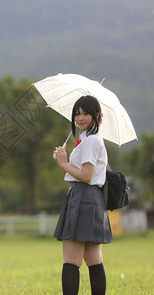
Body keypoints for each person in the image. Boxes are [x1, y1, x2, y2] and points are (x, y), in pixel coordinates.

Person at [52, 95, 112, 295]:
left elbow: (86, 176)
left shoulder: (91, 141)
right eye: (77, 114)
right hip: (89, 198)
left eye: (85, 113)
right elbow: (79, 174)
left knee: (71, 260)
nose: (80, 118)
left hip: (83, 198)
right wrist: (65, 163)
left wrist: (63, 163)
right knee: (93, 258)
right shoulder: (86, 139)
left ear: (96, 115)